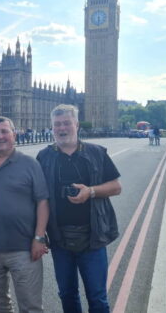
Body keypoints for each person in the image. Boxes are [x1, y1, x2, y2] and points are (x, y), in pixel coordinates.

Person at [36, 104, 122, 313]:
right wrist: (38, 235)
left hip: (92, 237)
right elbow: (38, 198)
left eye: (66, 123)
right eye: (57, 124)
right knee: (67, 294)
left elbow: (116, 187)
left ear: (77, 125)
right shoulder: (44, 157)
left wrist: (90, 191)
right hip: (59, 239)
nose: (62, 128)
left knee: (97, 297)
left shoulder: (96, 153)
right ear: (52, 127)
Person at [0, 116, 49, 313]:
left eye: (4, 131)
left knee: (30, 306)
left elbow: (43, 201)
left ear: (14, 135)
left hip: (24, 249)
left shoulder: (29, 164)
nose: (0, 136)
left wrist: (39, 238)